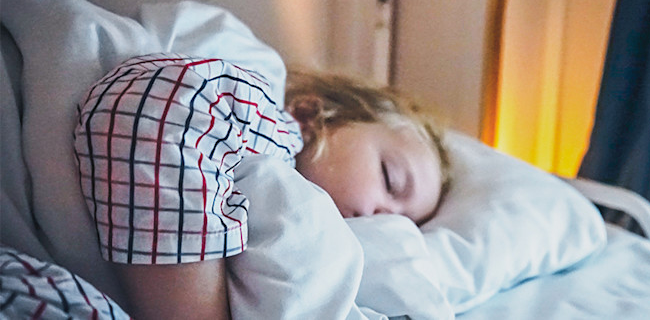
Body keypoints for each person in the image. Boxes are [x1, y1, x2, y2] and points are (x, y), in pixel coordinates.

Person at [72, 53, 451, 319]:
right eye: (391, 180)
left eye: (404, 222)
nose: (385, 219)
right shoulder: (266, 126)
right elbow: (157, 106)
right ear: (315, 115)